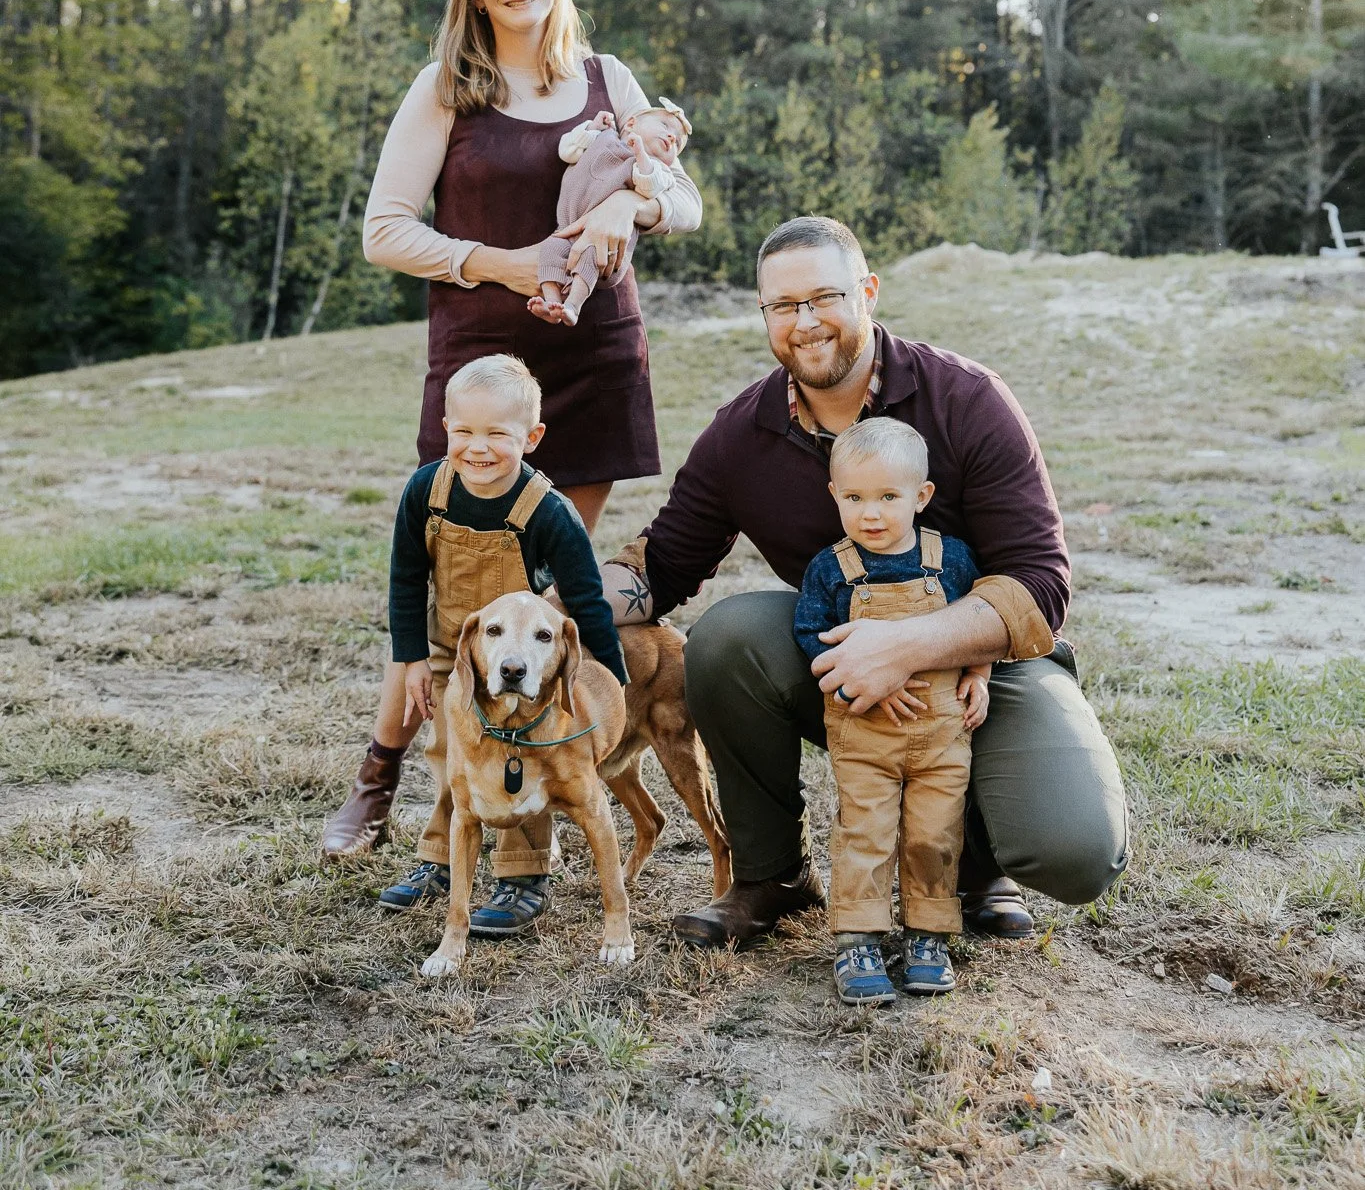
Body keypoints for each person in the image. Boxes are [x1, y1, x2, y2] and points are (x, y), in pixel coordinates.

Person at [595, 214, 1129, 948]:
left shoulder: (968, 399)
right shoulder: (740, 433)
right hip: (839, 669)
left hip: (985, 671)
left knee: (1075, 853)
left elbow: (1041, 583)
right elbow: (661, 566)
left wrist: (908, 644)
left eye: (824, 298)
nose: (805, 323)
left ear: (867, 292)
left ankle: (973, 866)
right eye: (783, 306)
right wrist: (551, 600)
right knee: (727, 636)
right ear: (764, 315)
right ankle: (771, 877)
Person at [320, 0, 702, 922]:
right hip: (484, 375)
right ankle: (391, 781)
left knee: (533, 608)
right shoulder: (448, 86)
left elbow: (683, 195)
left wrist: (634, 203)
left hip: (591, 360)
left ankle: (518, 858)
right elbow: (384, 230)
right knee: (460, 608)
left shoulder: (608, 78)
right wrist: (499, 261)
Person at [378, 353, 627, 925]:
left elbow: (586, 599)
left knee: (527, 751)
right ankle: (440, 858)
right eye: (464, 431)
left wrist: (617, 679)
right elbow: (405, 578)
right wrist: (412, 658)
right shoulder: (426, 490)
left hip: (525, 658)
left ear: (532, 437)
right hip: (456, 648)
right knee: (451, 753)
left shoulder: (549, 512)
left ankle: (523, 874)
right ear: (446, 429)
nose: (478, 447)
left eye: (497, 433)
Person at [793, 416, 990, 1003]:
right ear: (834, 495)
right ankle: (859, 936)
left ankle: (928, 932)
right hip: (866, 732)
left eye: (887, 497)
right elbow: (811, 637)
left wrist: (979, 674)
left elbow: (981, 628)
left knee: (934, 834)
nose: (870, 514)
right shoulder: (832, 569)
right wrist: (861, 686)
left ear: (921, 497)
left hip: (941, 735)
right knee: (865, 832)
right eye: (854, 498)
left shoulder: (950, 561)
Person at [530, 97, 692, 326]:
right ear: (631, 123)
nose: (671, 137)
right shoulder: (602, 136)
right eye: (665, 126)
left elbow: (649, 186)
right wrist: (592, 127)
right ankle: (552, 302)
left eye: (678, 144)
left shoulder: (657, 170)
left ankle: (573, 306)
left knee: (590, 253)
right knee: (550, 249)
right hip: (565, 228)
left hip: (604, 241)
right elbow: (567, 151)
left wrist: (641, 155)